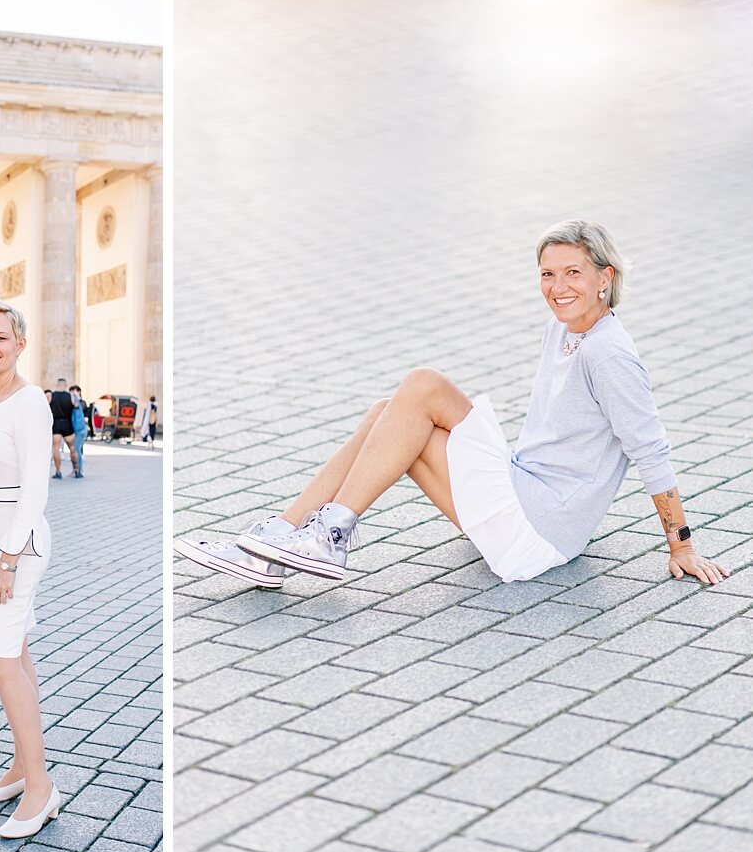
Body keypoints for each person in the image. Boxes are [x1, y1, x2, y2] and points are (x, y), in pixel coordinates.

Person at [175, 220, 729, 591]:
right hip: (522, 499)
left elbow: (651, 451)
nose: (558, 287)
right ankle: (278, 540)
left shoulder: (610, 353)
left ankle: (330, 534)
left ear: (605, 278)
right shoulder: (564, 331)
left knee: (423, 386)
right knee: (386, 413)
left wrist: (680, 545)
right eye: (548, 274)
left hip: (540, 527)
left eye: (573, 273)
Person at [0, 298, 60, 839]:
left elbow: (34, 494)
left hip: (13, 552)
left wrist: (7, 560)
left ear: (20, 344)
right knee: (16, 656)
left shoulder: (29, 403)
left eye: (0, 336)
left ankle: (42, 787)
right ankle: (23, 767)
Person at [48, 378, 80, 479]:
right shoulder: (70, 396)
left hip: (56, 424)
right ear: (65, 385)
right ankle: (76, 470)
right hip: (67, 424)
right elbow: (77, 406)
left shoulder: (51, 395)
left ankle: (58, 472)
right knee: (72, 448)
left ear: (57, 385)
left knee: (56, 448)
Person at [69, 385, 87, 474]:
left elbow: (80, 405)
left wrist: (76, 396)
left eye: (75, 391)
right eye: (71, 391)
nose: (73, 393)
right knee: (75, 450)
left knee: (77, 450)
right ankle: (76, 470)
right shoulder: (73, 404)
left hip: (81, 430)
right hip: (76, 430)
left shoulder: (80, 403)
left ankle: (79, 470)